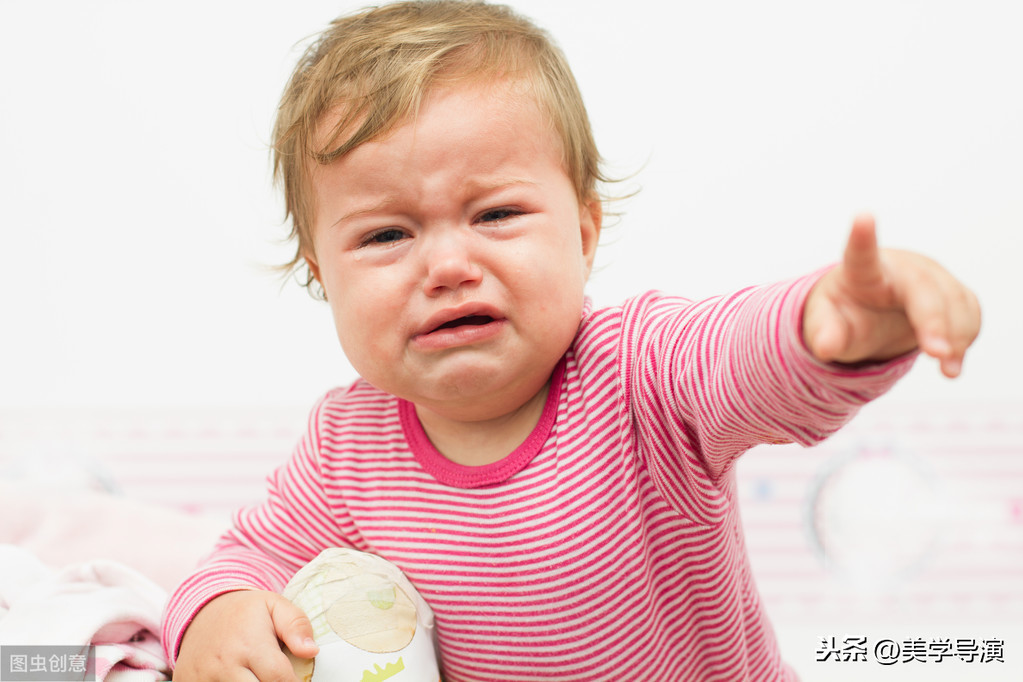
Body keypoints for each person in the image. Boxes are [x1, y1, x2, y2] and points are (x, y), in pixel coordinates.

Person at [161, 1, 981, 680]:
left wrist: (825, 328)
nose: (447, 265)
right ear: (321, 275)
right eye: (385, 236)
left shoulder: (638, 373)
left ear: (583, 233)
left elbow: (739, 353)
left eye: (495, 215)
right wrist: (214, 612)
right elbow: (245, 557)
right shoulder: (348, 450)